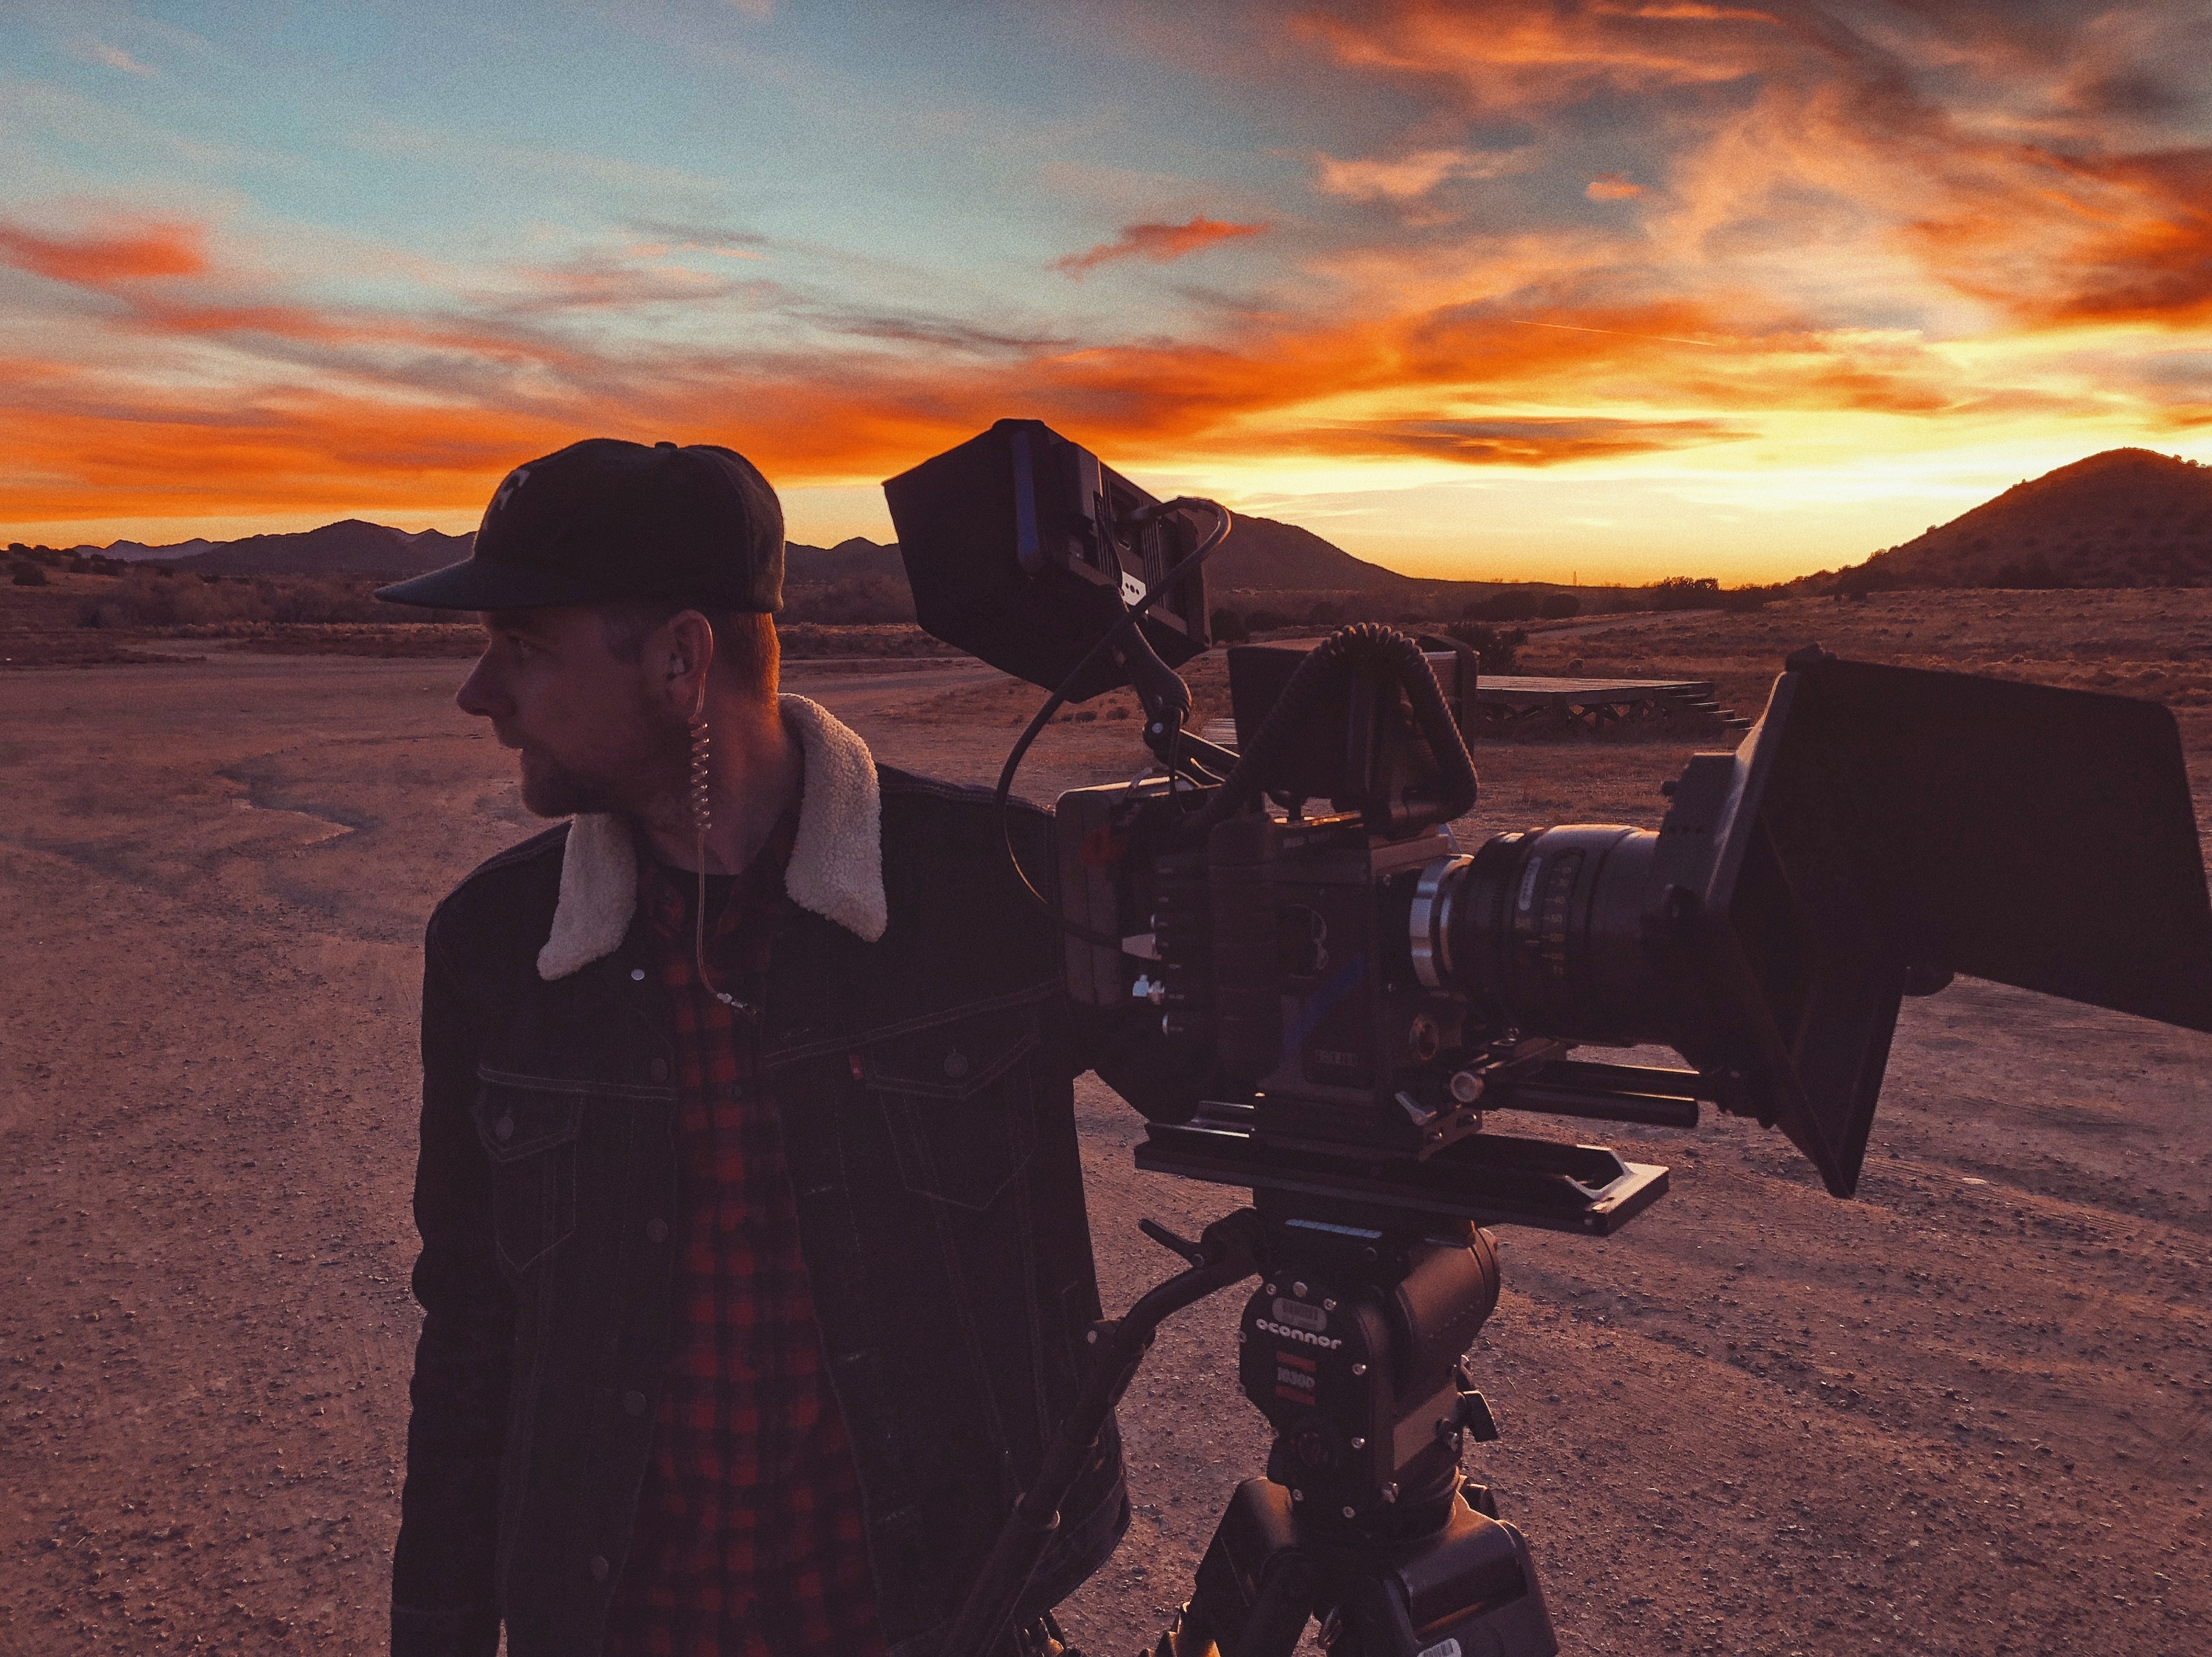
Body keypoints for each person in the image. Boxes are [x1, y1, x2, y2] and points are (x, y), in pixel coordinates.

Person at [375, 439, 1197, 1657]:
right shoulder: (499, 947)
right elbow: (472, 1327)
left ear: (680, 658)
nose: (480, 691)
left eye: (524, 644)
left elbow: (1247, 1095)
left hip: (932, 1619)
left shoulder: (990, 886)